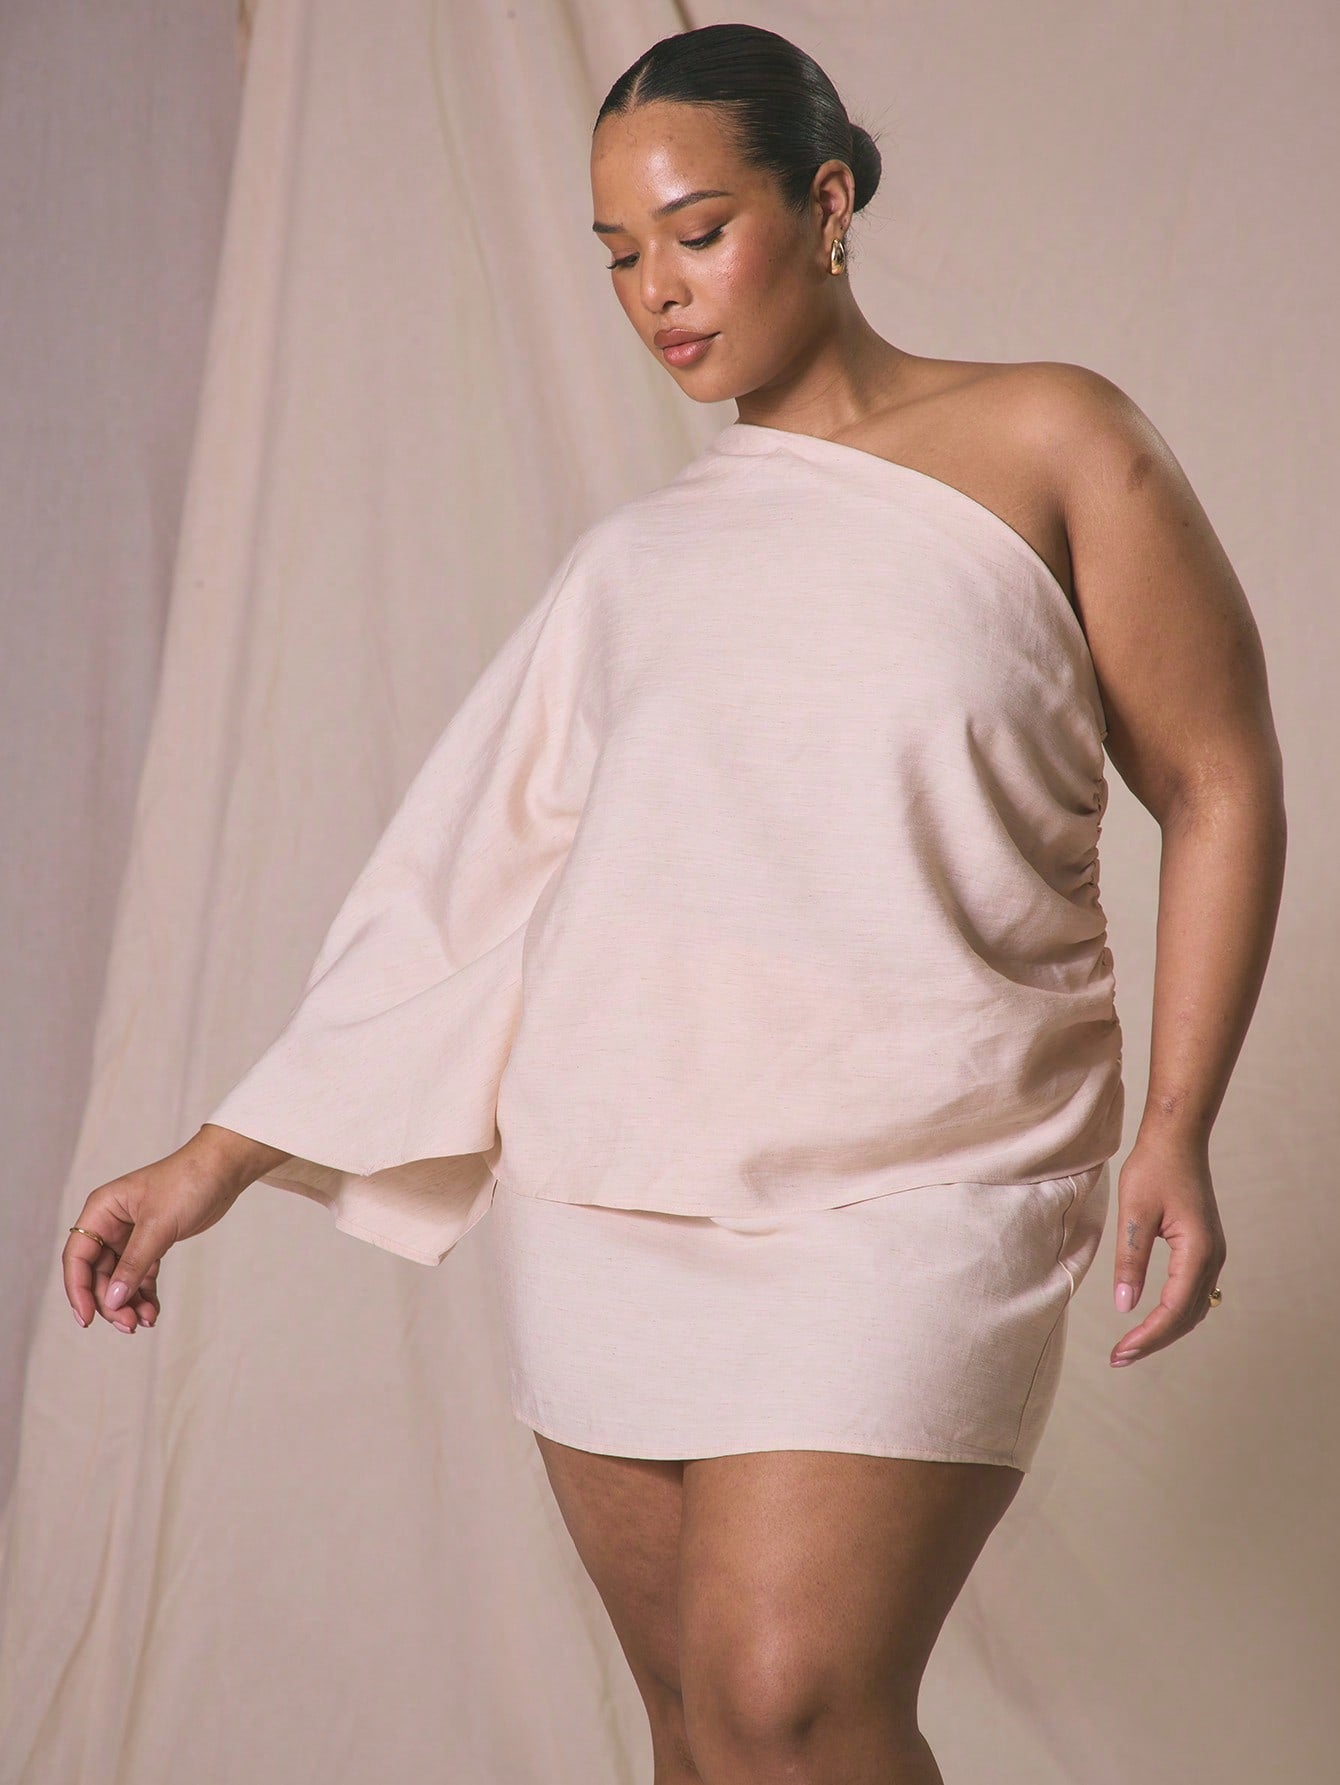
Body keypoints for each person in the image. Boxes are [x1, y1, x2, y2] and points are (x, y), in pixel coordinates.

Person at [63, 22, 1284, 1784]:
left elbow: (1220, 777)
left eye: (698, 232)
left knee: (793, 1700)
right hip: (612, 1199)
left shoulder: (1053, 435)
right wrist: (215, 1159)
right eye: (619, 255)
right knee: (703, 1734)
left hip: (925, 1181)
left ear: (828, 203)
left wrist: (1178, 1123)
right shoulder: (632, 569)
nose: (658, 292)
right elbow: (466, 894)